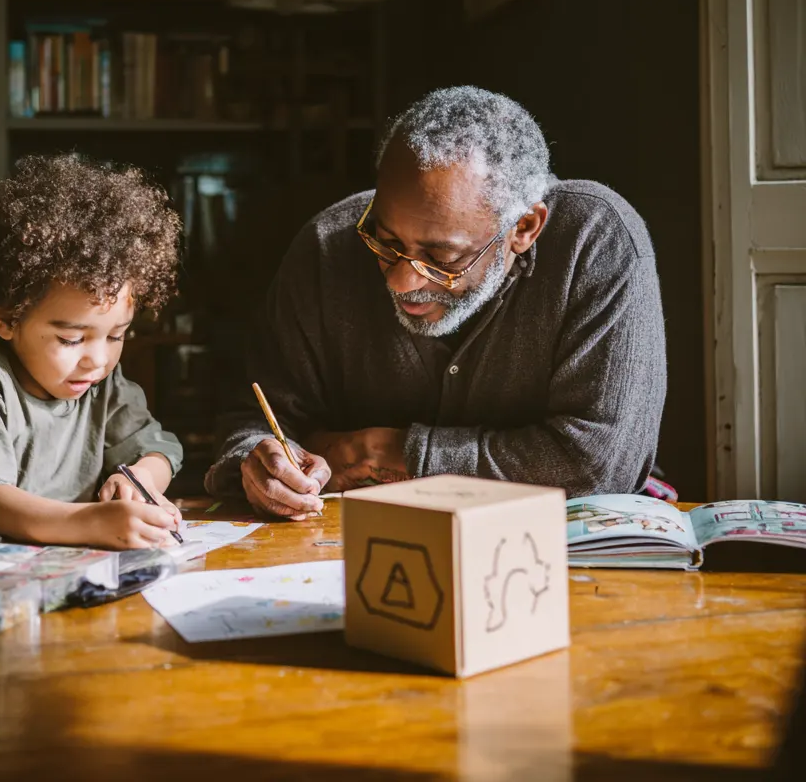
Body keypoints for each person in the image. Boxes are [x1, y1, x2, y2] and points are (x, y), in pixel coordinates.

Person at [206, 85, 667, 519]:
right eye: (385, 242)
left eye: (441, 257)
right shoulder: (328, 244)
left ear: (524, 228)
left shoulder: (597, 241)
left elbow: (595, 467)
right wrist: (258, 461)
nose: (404, 281)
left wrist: (380, 453)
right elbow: (254, 419)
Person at [0, 153, 185, 550]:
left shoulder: (100, 382)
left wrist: (139, 479)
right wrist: (90, 522)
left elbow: (158, 448)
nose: (98, 360)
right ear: (7, 319)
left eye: (117, 335)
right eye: (71, 339)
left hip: (49, 571)